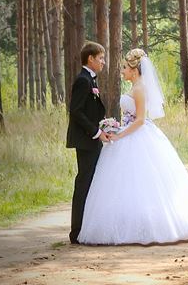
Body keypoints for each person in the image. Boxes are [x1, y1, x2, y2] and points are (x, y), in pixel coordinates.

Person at [77, 48, 188, 245]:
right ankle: (127, 222)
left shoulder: (139, 89)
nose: (123, 71)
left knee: (144, 182)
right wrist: (116, 127)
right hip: (127, 133)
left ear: (135, 70)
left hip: (137, 136)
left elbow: (140, 120)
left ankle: (154, 225)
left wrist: (120, 135)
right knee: (124, 184)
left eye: (125, 67)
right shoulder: (133, 87)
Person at [66, 41, 110, 244]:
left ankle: (85, 229)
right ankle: (76, 232)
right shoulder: (83, 80)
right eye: (100, 58)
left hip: (91, 139)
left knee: (91, 183)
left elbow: (90, 111)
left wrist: (104, 126)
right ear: (90, 59)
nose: (103, 62)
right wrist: (96, 132)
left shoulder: (91, 80)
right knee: (83, 184)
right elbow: (75, 111)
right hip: (86, 141)